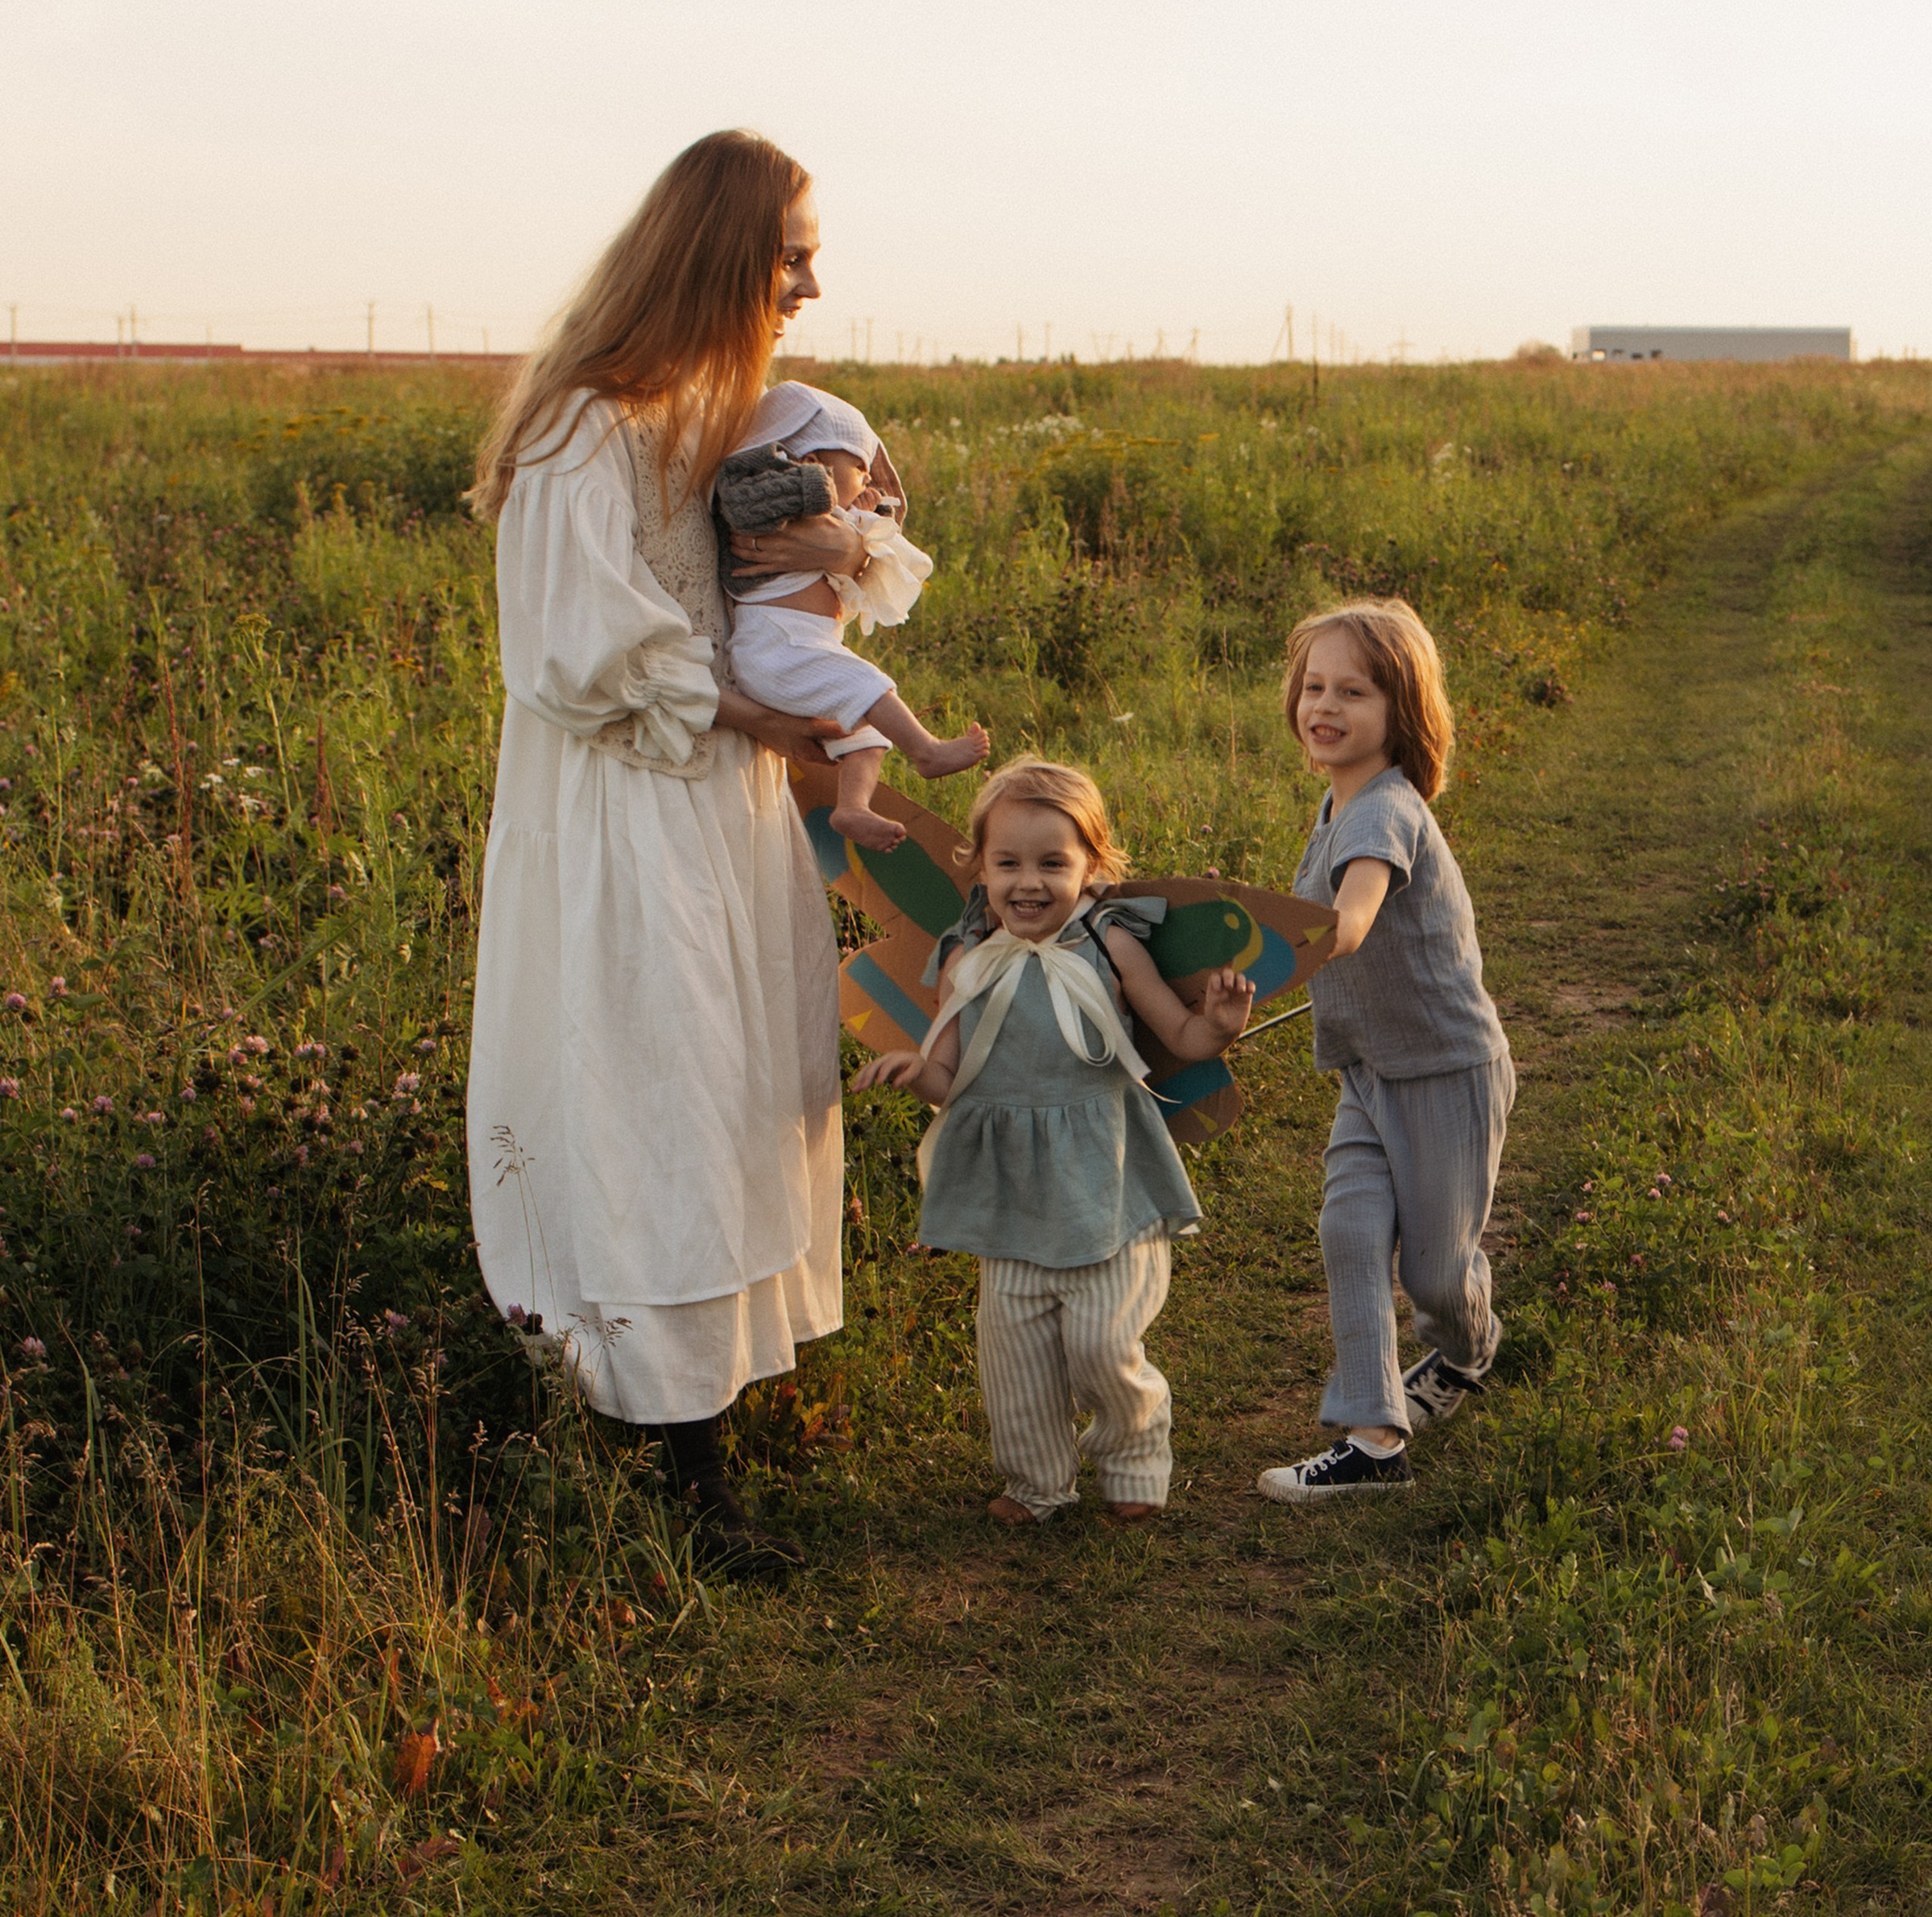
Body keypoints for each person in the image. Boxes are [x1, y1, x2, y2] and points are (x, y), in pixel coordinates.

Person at [465, 130, 867, 1579]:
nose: (812, 282)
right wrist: (763, 716)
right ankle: (674, 1476)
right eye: (791, 253)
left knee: (734, 1090)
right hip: (631, 811)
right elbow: (583, 656)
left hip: (714, 800)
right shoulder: (589, 422)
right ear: (720, 253)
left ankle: (704, 1424)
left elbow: (747, 604)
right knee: (659, 1096)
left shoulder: (706, 411)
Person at [851, 759, 1252, 1526]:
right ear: (979, 866)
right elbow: (950, 1077)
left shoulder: (1109, 946)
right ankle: (1037, 1483)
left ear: (1091, 866)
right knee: (1015, 1351)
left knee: (1102, 1341)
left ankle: (1134, 1456)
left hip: (1104, 1176)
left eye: (1052, 864)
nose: (1026, 883)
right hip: (1010, 1186)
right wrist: (915, 1071)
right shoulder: (965, 958)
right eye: (1007, 863)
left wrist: (1218, 1028)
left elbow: (1179, 1033)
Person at [1256, 601, 1514, 1505]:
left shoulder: (1382, 812)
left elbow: (1351, 922)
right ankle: (1373, 1440)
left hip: (1445, 1072)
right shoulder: (1337, 801)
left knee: (1437, 1274)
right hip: (1369, 1074)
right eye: (1314, 687)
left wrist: (1258, 967)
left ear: (1399, 713)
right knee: (1349, 1233)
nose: (1325, 706)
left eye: (1354, 692)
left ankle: (1470, 1347)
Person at [717, 383, 989, 851]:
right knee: (869, 685)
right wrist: (819, 487)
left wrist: (865, 512)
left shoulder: (833, 519)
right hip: (777, 646)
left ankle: (852, 808)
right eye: (858, 467)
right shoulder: (777, 508)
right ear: (809, 462)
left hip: (799, 647)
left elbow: (884, 537)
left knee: (862, 734)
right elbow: (758, 496)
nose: (868, 481)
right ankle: (925, 751)